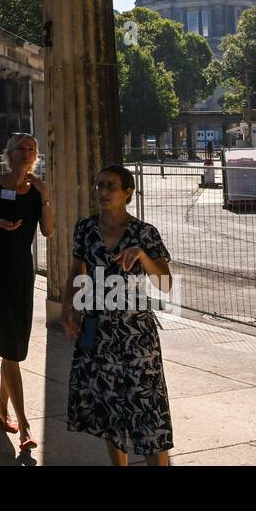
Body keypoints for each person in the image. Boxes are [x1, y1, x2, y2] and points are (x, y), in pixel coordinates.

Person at [61, 164, 174, 465]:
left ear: (128, 193)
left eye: (110, 186)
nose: (102, 191)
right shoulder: (85, 228)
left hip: (136, 334)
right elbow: (77, 272)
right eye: (99, 185)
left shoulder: (144, 233)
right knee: (107, 410)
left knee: (149, 413)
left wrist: (142, 255)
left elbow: (165, 283)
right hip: (95, 329)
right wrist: (68, 309)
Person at [0, 132, 52, 452]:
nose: (27, 153)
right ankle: (25, 427)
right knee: (11, 350)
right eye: (21, 148)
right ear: (9, 153)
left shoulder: (36, 192)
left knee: (14, 347)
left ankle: (2, 411)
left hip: (23, 274)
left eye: (32, 149)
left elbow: (48, 231)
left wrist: (45, 195)